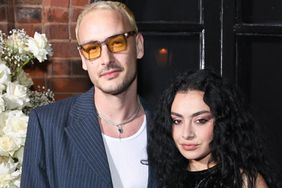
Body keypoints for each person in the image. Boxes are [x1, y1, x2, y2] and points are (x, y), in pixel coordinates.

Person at [21, 1, 157, 188]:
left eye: (117, 42)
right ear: (83, 59)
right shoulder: (47, 126)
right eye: (93, 49)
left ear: (139, 46)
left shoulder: (170, 126)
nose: (106, 59)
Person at [147, 69, 277, 188]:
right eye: (177, 121)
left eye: (200, 121)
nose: (186, 134)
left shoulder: (244, 181)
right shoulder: (163, 178)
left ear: (222, 122)